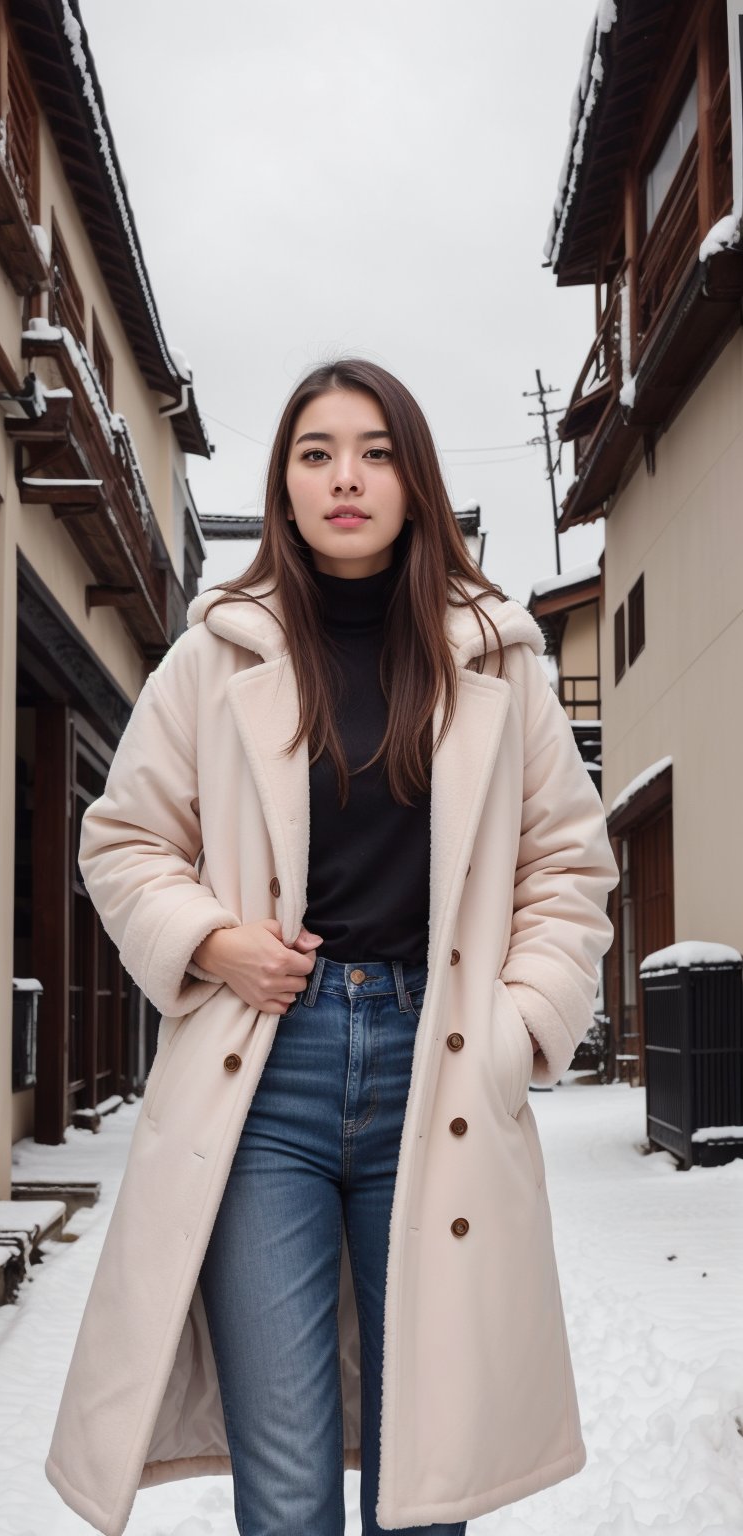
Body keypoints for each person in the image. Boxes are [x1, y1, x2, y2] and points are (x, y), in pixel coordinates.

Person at [45, 358, 619, 1536]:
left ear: (414, 478)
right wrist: (210, 940)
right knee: (288, 1477)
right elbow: (124, 840)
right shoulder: (216, 657)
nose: (344, 477)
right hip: (264, 1081)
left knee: (425, 1472)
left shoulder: (497, 660)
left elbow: (567, 866)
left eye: (373, 451)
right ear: (284, 486)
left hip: (441, 1068)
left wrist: (513, 1033)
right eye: (315, 453)